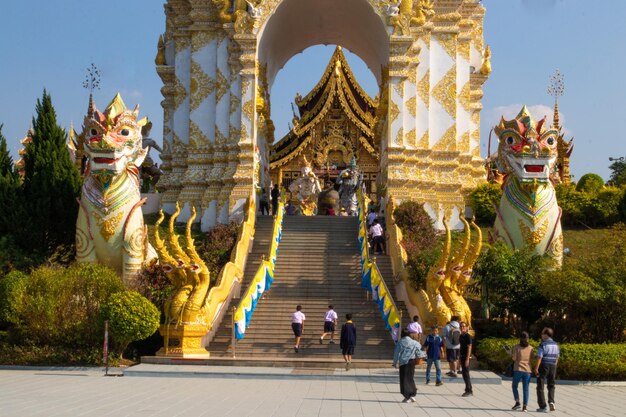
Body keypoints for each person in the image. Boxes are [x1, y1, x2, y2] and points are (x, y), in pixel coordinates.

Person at [393, 329, 425, 403]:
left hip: (403, 363)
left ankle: (407, 396)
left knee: (404, 379)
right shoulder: (414, 342)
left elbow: (396, 353)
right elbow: (420, 348)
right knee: (410, 378)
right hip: (412, 362)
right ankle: (412, 394)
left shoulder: (400, 342)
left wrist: (395, 362)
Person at [534, 327, 560, 412]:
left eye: (542, 333)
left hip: (544, 365)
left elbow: (539, 357)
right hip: (553, 366)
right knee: (551, 385)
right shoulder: (556, 344)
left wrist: (536, 368)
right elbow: (557, 357)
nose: (541, 335)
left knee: (540, 386)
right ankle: (551, 401)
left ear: (546, 335)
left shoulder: (543, 344)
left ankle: (542, 406)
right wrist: (554, 366)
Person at [510, 331, 533, 412]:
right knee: (526, 389)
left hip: (518, 369)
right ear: (528, 338)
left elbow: (514, 359)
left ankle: (517, 402)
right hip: (527, 370)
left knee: (514, 386)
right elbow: (531, 359)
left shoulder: (516, 347)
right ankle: (525, 407)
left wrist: (510, 353)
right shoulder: (531, 348)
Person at [459, 321, 473, 397]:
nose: (462, 328)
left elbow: (469, 347)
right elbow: (461, 347)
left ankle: (468, 390)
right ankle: (469, 388)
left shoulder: (468, 336)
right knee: (464, 374)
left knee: (466, 374)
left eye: (463, 326)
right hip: (462, 356)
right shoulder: (461, 336)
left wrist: (467, 358)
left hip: (467, 357)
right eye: (461, 326)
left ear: (466, 327)